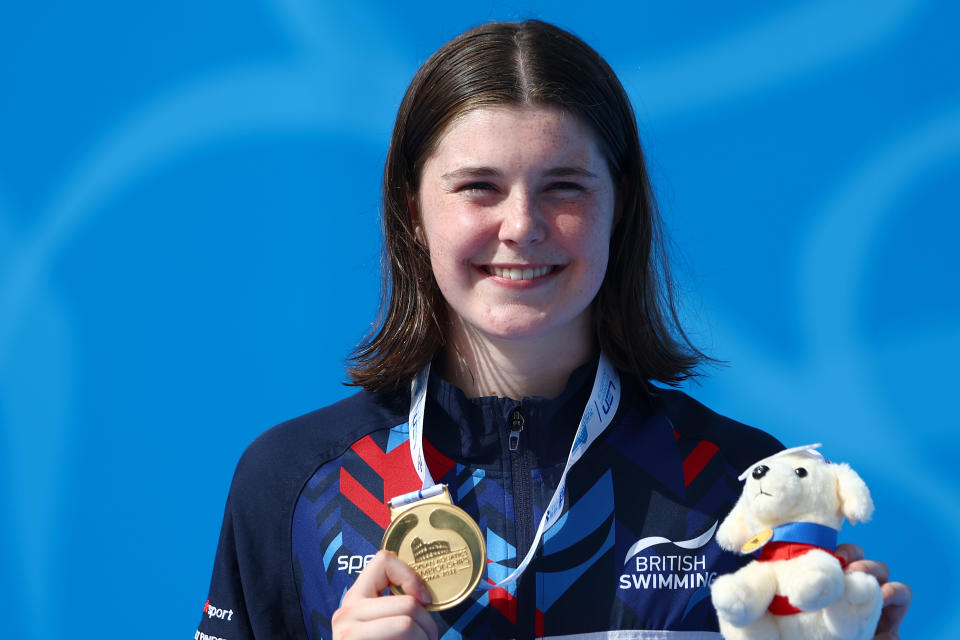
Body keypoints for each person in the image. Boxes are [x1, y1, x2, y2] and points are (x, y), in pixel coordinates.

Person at [196, 20, 911, 640]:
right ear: (413, 211)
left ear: (619, 206)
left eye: (564, 187)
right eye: (479, 187)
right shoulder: (294, 483)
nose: (522, 226)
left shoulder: (737, 486)